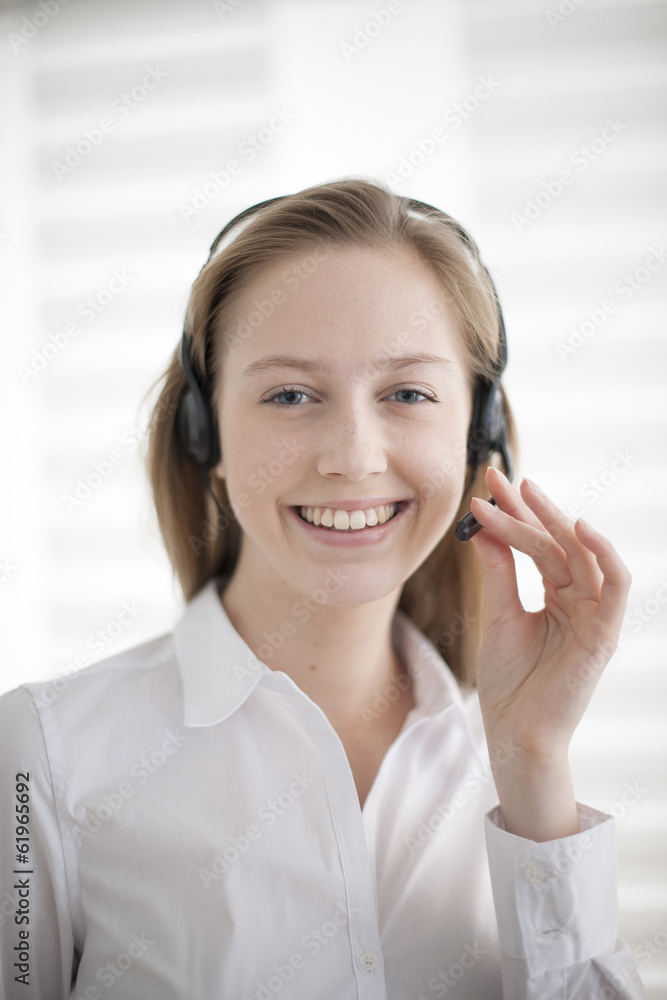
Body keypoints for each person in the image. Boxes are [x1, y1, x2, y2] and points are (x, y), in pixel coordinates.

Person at [0, 178, 647, 999]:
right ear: (208, 434)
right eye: (290, 395)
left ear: (476, 432)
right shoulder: (40, 760)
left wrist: (532, 765)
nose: (351, 455)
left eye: (407, 393)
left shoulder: (516, 764)